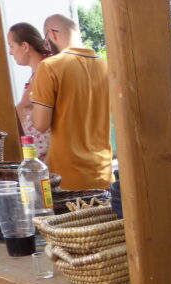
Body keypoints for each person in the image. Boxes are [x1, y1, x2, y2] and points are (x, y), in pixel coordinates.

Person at [30, 14, 112, 190]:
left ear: (52, 33)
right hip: (103, 173)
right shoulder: (106, 67)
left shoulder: (50, 66)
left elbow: (41, 124)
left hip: (67, 177)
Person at [7, 22, 53, 161]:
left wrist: (8, 130)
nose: (10, 52)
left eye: (12, 46)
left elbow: (23, 107)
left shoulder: (43, 69)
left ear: (25, 46)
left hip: (44, 155)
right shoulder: (40, 69)